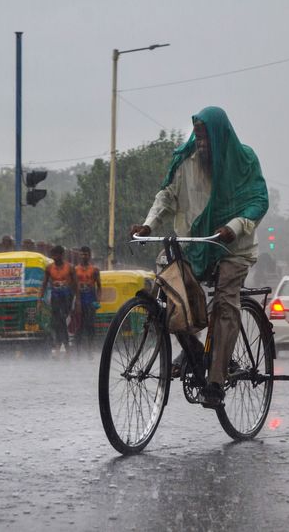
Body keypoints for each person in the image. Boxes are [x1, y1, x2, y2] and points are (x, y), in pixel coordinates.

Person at [130, 106, 268, 407]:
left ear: (220, 137)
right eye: (199, 137)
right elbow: (166, 196)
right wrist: (149, 223)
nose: (202, 144)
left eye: (207, 138)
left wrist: (233, 228)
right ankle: (193, 349)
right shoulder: (185, 162)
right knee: (169, 297)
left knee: (224, 302)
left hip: (234, 247)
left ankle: (216, 381)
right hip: (195, 243)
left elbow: (258, 200)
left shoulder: (243, 161)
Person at [40, 245, 76, 355]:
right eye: (53, 255)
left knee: (61, 319)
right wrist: (39, 299)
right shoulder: (49, 268)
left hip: (66, 297)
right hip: (55, 297)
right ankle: (63, 345)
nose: (54, 257)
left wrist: (77, 300)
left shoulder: (70, 268)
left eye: (56, 255)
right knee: (57, 321)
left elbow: (76, 285)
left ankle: (60, 345)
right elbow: (44, 284)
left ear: (61, 255)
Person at [74, 246, 102, 354]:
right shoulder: (75, 270)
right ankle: (78, 349)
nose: (83, 256)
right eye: (82, 254)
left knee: (90, 325)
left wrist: (98, 300)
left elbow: (99, 286)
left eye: (85, 254)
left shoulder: (94, 270)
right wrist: (76, 301)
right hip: (80, 298)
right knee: (79, 325)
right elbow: (73, 286)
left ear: (89, 256)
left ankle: (90, 349)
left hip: (90, 298)